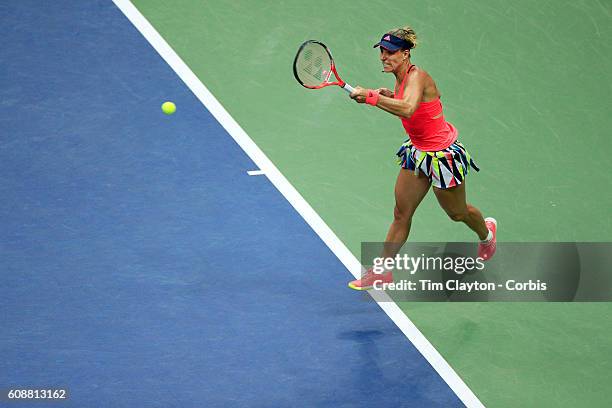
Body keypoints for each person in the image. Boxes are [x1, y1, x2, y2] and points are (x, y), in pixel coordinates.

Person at [348, 27, 497, 290]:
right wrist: (388, 97)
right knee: (401, 213)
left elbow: (407, 109)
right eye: (382, 51)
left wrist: (371, 97)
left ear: (406, 54)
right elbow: (413, 111)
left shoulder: (418, 76)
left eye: (391, 52)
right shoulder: (400, 77)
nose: (384, 57)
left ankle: (486, 234)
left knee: (457, 213)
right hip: (418, 154)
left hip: (443, 157)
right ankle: (382, 270)